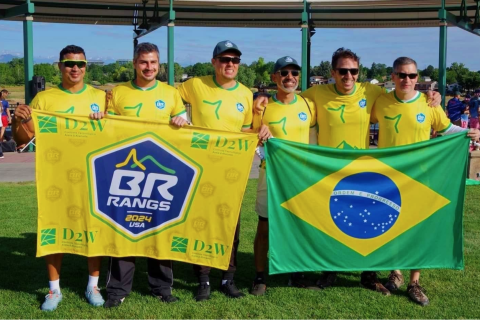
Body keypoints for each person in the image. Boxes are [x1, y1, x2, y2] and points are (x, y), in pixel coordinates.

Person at [253, 47, 442, 295]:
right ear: (333, 72)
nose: (348, 76)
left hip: (364, 172)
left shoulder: (371, 91)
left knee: (367, 225)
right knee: (332, 223)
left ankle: (369, 274)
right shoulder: (316, 94)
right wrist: (261, 97)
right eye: (343, 71)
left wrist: (434, 97)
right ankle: (328, 269)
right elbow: (288, 97)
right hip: (329, 172)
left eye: (353, 71)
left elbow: (402, 96)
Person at [371, 56, 480, 306]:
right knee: (394, 225)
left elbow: (446, 129)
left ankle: (414, 282)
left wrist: (468, 132)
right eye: (401, 75)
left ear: (417, 78)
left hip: (420, 178)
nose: (406, 79)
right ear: (393, 76)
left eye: (411, 75)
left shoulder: (429, 104)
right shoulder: (381, 102)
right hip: (389, 178)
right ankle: (395, 272)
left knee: (418, 228)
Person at [13, 45, 106, 311]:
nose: (74, 68)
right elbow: (23, 141)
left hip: (93, 176)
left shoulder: (102, 97)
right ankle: (54, 290)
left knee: (94, 231)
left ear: (86, 66)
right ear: (59, 66)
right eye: (68, 63)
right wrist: (18, 122)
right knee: (53, 231)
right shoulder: (43, 99)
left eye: (79, 64)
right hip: (55, 177)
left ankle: (93, 284)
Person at [177, 40, 271, 301]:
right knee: (202, 223)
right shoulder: (195, 84)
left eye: (235, 60)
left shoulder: (244, 93)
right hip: (202, 167)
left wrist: (259, 130)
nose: (230, 64)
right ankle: (203, 278)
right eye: (225, 59)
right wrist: (178, 116)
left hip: (232, 169)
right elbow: (169, 99)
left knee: (231, 224)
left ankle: (228, 277)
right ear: (214, 62)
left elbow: (243, 131)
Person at [104, 42, 187, 308]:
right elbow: (109, 131)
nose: (149, 67)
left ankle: (162, 287)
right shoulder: (119, 93)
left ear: (159, 65)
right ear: (134, 64)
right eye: (143, 62)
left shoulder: (171, 94)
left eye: (153, 62)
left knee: (160, 228)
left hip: (162, 174)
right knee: (125, 227)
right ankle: (117, 290)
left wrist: (182, 123)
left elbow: (185, 130)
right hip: (128, 171)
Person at [250, 56, 317, 296]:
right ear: (274, 77)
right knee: (265, 227)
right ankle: (260, 276)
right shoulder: (263, 106)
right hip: (270, 176)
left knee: (296, 227)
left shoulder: (309, 105)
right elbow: (251, 134)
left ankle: (295, 272)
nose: (290, 78)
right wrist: (259, 130)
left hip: (299, 178)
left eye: (294, 73)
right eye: (284, 73)